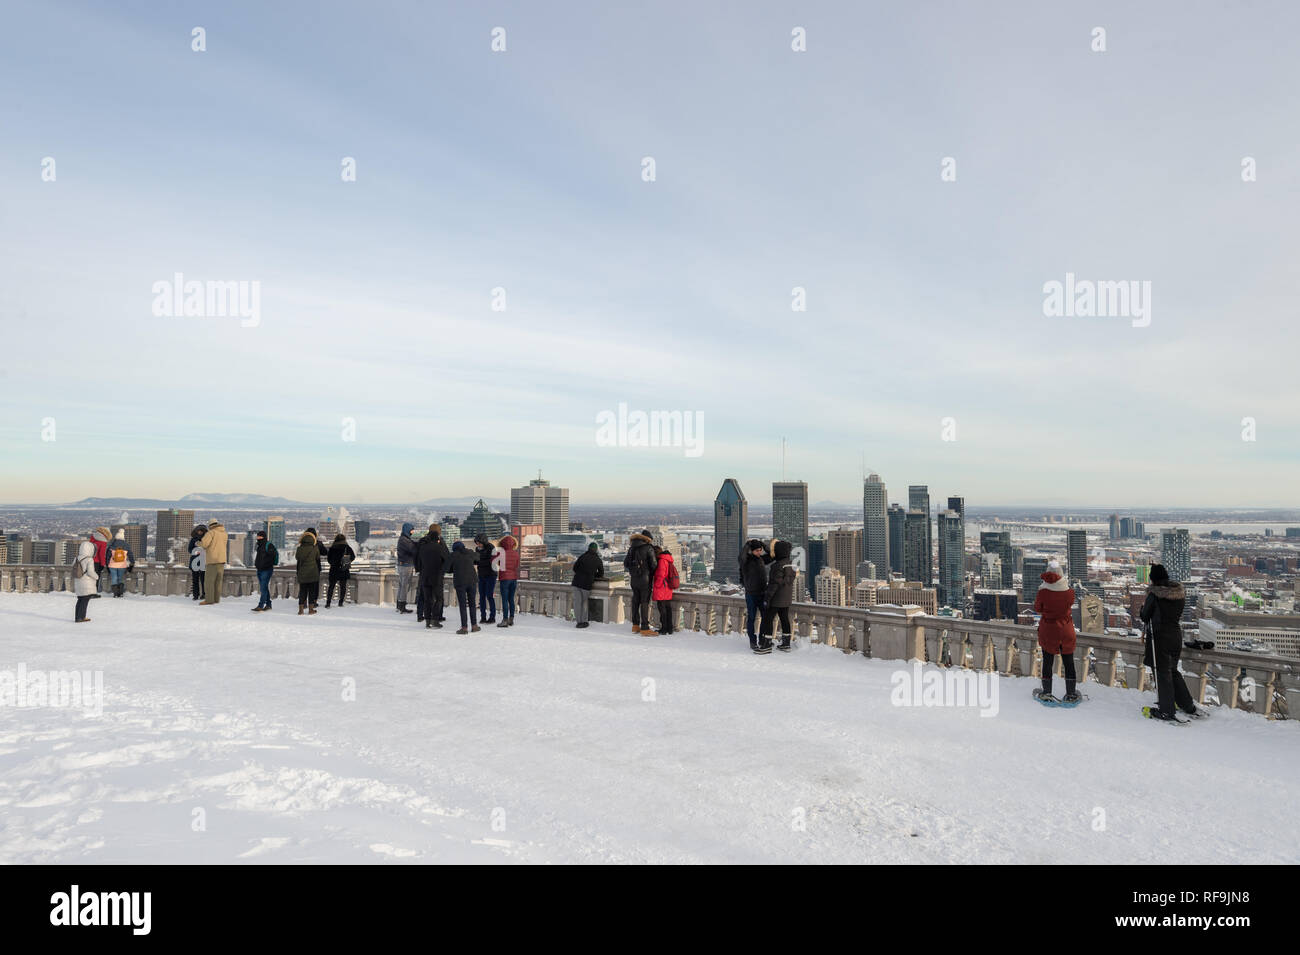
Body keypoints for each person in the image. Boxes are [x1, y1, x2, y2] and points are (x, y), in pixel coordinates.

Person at [1140, 563, 1203, 721]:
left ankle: (1166, 710)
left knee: (1162, 674)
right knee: (1173, 672)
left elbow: (1145, 616)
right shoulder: (1179, 594)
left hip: (1160, 638)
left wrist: (1143, 607)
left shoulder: (1154, 596)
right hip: (1175, 636)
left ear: (1153, 579)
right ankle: (1187, 705)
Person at [1032, 560, 1078, 703]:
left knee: (1047, 661)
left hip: (1049, 629)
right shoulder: (1069, 592)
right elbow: (1069, 604)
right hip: (1066, 629)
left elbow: (1038, 609)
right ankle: (1071, 693)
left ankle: (1046, 692)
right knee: (1069, 662)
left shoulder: (1043, 591)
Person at [760, 540, 797, 653]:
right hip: (787, 598)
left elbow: (774, 584)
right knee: (784, 619)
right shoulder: (792, 564)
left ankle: (766, 644)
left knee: (768, 619)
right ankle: (786, 643)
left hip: (776, 598)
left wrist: (767, 598)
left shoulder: (777, 566)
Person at [415, 524, 451, 630]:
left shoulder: (422, 545)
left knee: (427, 599)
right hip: (437, 576)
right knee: (439, 598)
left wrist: (420, 570)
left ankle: (427, 621)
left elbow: (416, 558)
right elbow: (447, 558)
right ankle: (435, 619)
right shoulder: (439, 546)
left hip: (424, 575)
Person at [623, 530, 658, 635]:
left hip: (634, 579)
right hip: (645, 580)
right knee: (644, 602)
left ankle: (635, 625)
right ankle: (645, 627)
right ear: (647, 539)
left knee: (635, 601)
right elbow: (654, 565)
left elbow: (625, 563)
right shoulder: (648, 548)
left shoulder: (631, 549)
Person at [739, 538, 771, 651]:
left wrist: (762, 544)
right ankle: (752, 641)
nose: (759, 552)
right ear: (751, 551)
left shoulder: (761, 559)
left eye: (760, 550)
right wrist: (748, 544)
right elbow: (741, 556)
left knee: (765, 617)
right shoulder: (746, 561)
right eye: (757, 550)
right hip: (751, 594)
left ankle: (762, 639)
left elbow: (772, 555)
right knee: (751, 618)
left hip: (762, 593)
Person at [449, 541, 481, 634]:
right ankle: (474, 625)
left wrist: (454, 568)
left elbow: (446, 568)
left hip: (460, 582)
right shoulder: (470, 552)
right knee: (472, 604)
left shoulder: (453, 555)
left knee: (462, 605)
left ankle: (464, 627)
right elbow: (478, 558)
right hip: (472, 581)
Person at [570, 541, 603, 628]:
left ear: (588, 549)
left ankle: (578, 621)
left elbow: (575, 568)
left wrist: (580, 573)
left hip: (576, 582)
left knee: (577, 603)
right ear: (596, 550)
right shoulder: (598, 560)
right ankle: (584, 622)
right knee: (584, 603)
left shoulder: (582, 557)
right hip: (586, 584)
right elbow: (601, 573)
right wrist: (592, 575)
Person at [198, 519, 228, 605]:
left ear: (210, 525)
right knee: (218, 581)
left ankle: (209, 600)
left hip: (212, 560)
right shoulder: (224, 533)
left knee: (209, 581)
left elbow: (204, 544)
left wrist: (198, 543)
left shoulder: (211, 533)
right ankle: (216, 599)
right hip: (222, 559)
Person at [651, 545, 679, 635]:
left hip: (662, 588)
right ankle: (669, 628)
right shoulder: (667, 559)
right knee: (667, 608)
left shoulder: (662, 561)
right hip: (667, 588)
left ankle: (664, 628)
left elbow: (661, 575)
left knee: (662, 609)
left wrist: (656, 585)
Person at [494, 534, 520, 628]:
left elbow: (493, 561)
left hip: (504, 578)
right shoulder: (516, 553)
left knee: (505, 600)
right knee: (511, 599)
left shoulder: (501, 553)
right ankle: (511, 619)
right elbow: (516, 565)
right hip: (513, 578)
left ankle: (504, 620)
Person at [325, 533, 356, 608]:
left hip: (334, 569)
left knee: (331, 587)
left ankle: (328, 603)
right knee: (343, 587)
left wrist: (333, 563)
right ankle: (341, 602)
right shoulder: (347, 547)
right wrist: (347, 561)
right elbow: (353, 556)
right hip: (343, 569)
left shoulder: (332, 548)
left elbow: (328, 559)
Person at [295, 531, 321, 614]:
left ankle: (301, 610)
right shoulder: (315, 548)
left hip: (302, 573)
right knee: (312, 592)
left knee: (303, 591)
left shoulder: (299, 549)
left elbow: (297, 558)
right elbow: (317, 558)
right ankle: (311, 609)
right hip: (313, 573)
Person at [72, 538, 97, 623]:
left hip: (78, 581)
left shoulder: (76, 558)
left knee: (80, 599)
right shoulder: (89, 559)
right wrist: (96, 577)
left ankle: (77, 617)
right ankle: (81, 617)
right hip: (86, 582)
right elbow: (90, 572)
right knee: (85, 600)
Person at [252, 530, 278, 612]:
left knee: (263, 588)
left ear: (264, 537)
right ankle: (268, 604)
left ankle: (261, 605)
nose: (258, 538)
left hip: (266, 570)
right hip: (259, 569)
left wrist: (267, 564)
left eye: (260, 536)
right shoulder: (259, 545)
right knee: (264, 588)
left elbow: (273, 556)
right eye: (258, 536)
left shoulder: (269, 545)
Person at [474, 533, 497, 623]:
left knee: (489, 596)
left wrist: (480, 562)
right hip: (481, 575)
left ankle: (492, 617)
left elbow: (492, 562)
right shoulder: (477, 549)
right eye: (477, 543)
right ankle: (483, 617)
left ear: (484, 542)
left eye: (479, 543)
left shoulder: (491, 548)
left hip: (491, 575)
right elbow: (476, 560)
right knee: (482, 597)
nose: (478, 545)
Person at [105, 529, 134, 598]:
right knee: (120, 578)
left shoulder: (111, 545)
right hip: (122, 565)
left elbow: (107, 557)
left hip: (112, 565)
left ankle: (115, 593)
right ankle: (120, 593)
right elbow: (131, 555)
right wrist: (132, 563)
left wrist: (107, 564)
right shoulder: (126, 546)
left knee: (114, 578)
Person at [395, 522, 416, 614]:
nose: (413, 532)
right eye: (412, 530)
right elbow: (413, 549)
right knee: (405, 586)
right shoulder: (405, 540)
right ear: (408, 530)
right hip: (406, 565)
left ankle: (399, 604)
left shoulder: (404, 539)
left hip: (403, 565)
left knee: (402, 586)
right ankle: (402, 606)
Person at [90, 526, 111, 594]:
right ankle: (93, 592)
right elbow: (101, 554)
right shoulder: (103, 542)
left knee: (89, 577)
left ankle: (88, 591)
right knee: (96, 577)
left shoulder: (92, 538)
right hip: (96, 562)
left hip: (89, 560)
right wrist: (102, 564)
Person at [188, 525, 206, 601]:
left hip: (203, 562)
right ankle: (195, 595)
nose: (200, 532)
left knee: (203, 580)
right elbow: (189, 550)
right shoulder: (193, 540)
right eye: (199, 531)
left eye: (202, 531)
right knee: (195, 580)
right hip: (195, 562)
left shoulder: (206, 540)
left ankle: (204, 594)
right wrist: (196, 552)